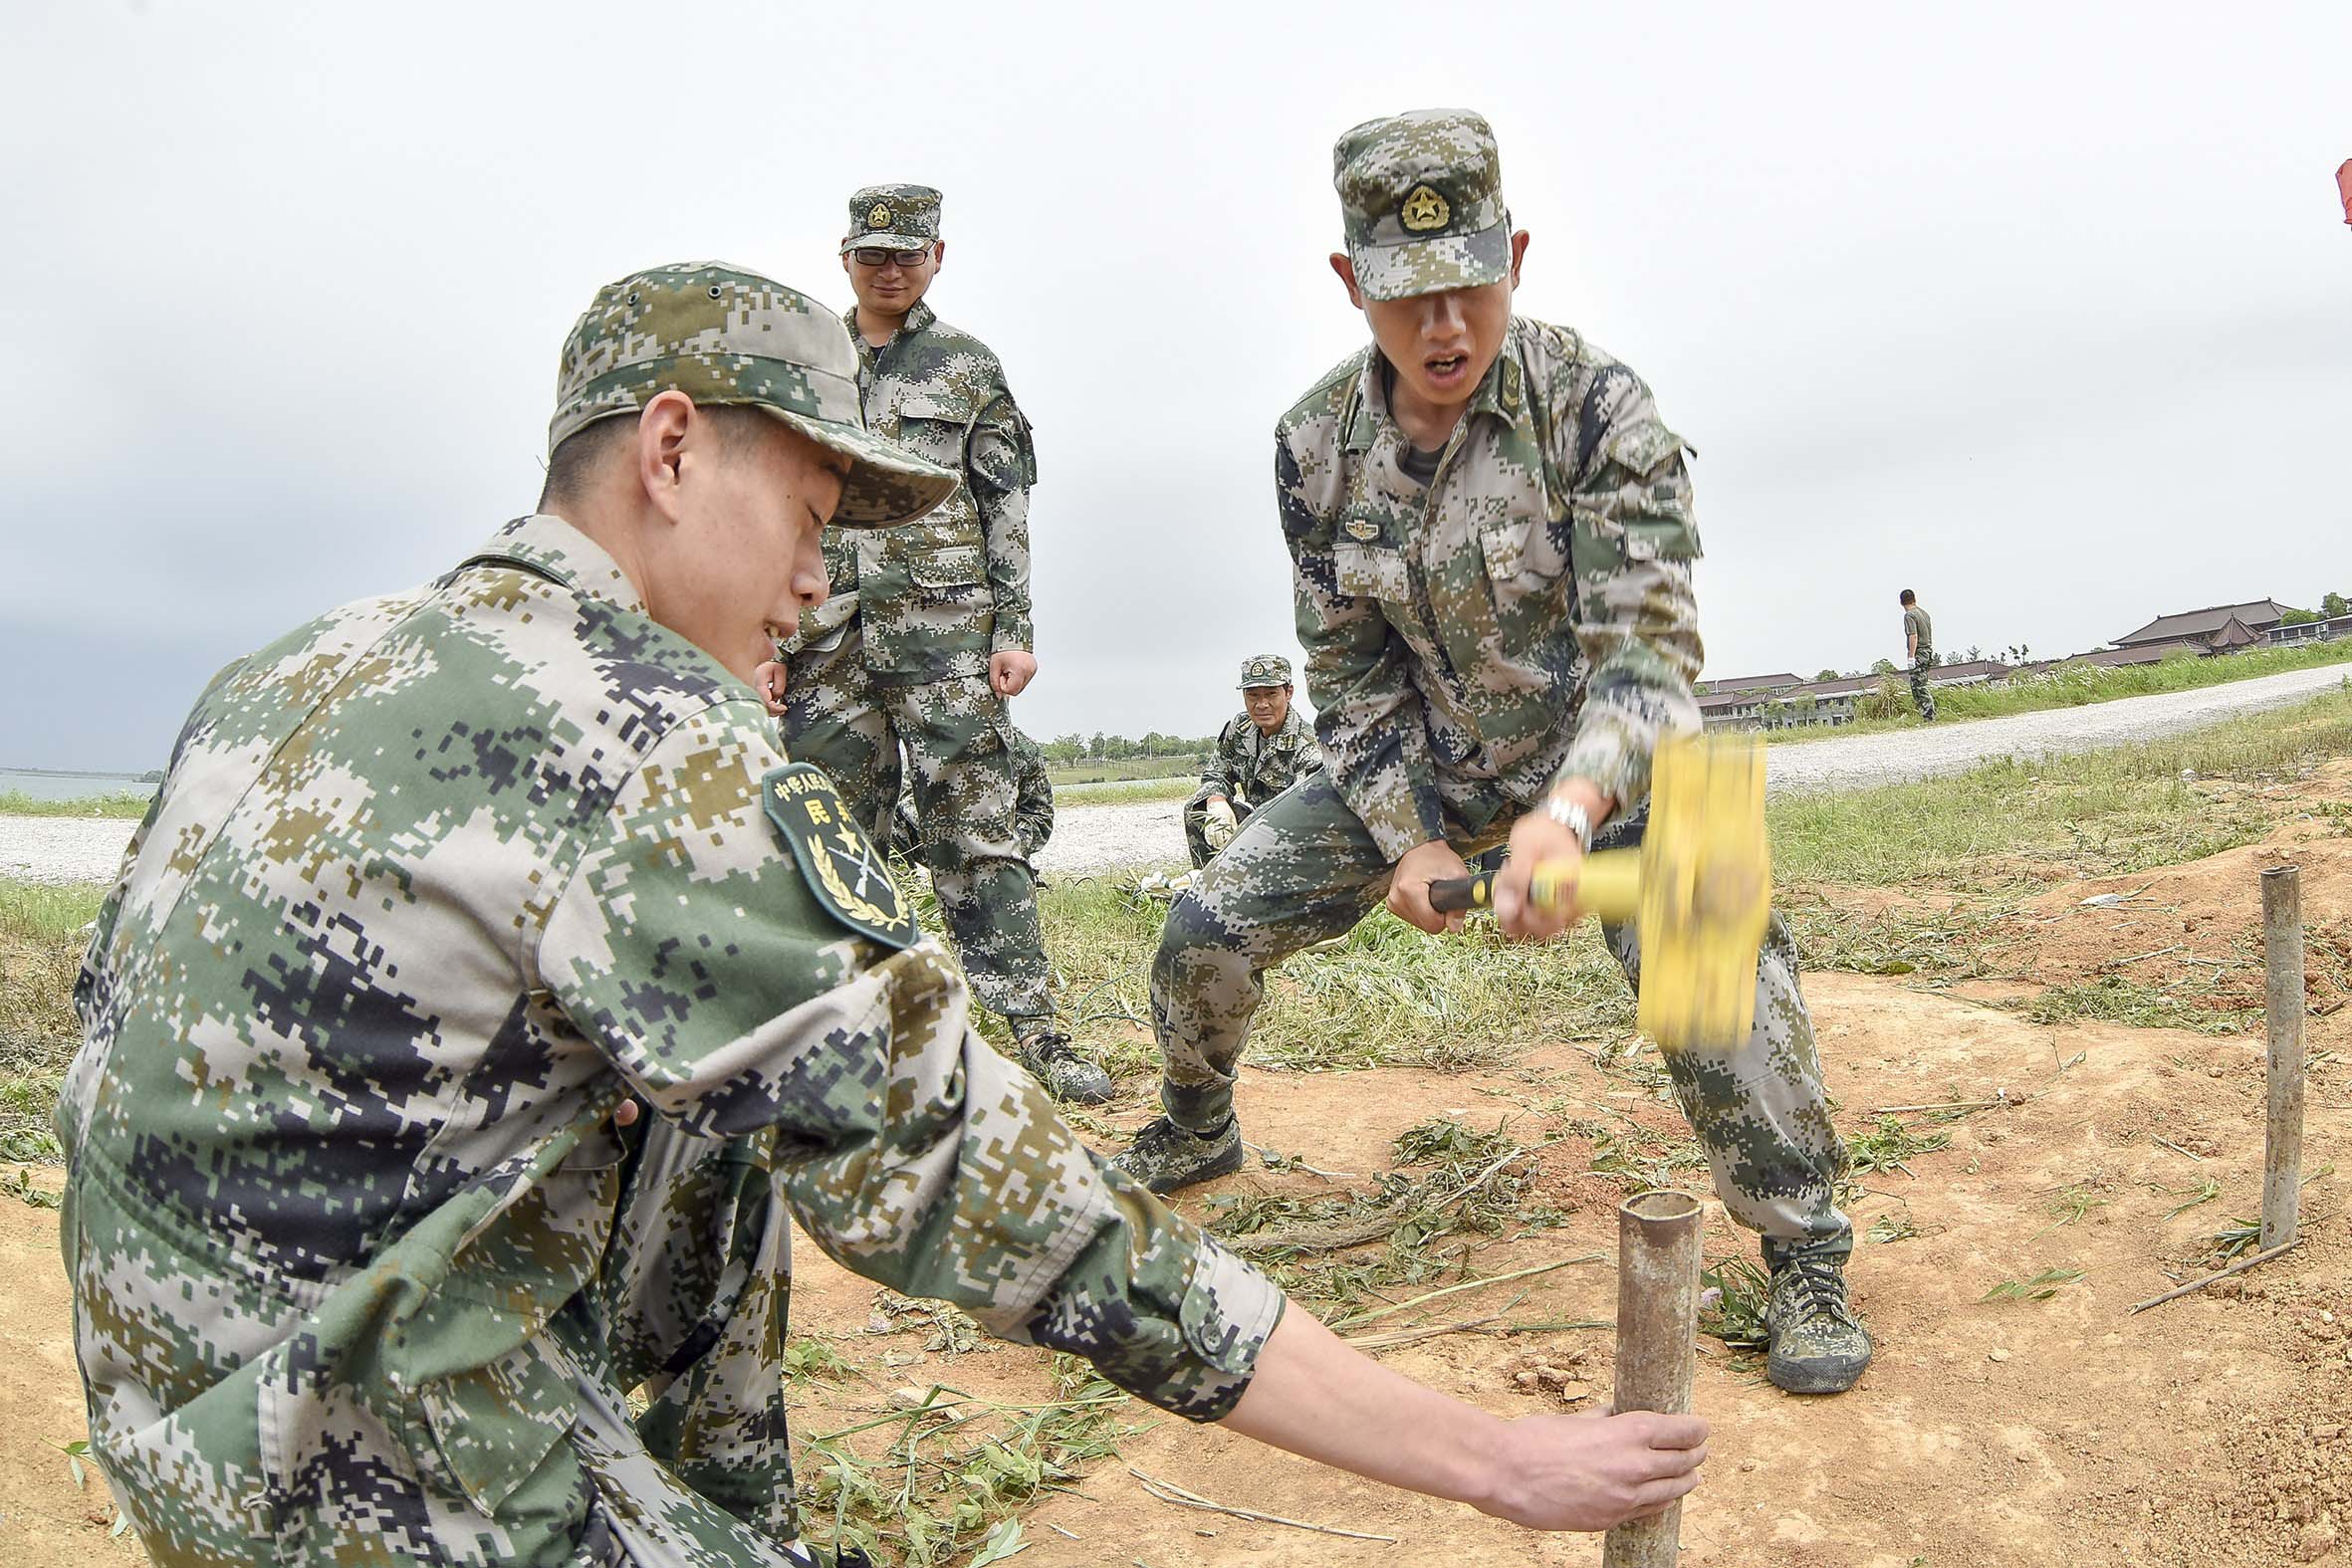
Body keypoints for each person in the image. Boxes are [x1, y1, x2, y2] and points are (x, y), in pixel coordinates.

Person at [58, 260, 1708, 1568]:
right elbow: (997, 1193)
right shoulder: (639, 735)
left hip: (172, 1412)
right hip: (361, 1483)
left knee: (724, 1100)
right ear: (673, 448)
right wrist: (1490, 1459)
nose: (815, 585)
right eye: (809, 520)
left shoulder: (304, 662)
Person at [1111, 111, 1872, 1397]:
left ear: (1514, 256)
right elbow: (1347, 673)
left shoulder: (1596, 405)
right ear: (1350, 282)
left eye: (1470, 286)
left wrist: (1569, 811)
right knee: (1201, 927)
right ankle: (1195, 1123)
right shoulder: (1312, 449)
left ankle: (1804, 1246)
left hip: (1620, 766)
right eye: (1408, 298)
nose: (1445, 326)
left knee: (1721, 987)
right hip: (1433, 761)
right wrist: (1407, 832)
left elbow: (1649, 652)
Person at [759, 184, 1109, 1104]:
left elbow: (1007, 506)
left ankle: (1038, 1033)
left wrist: (1017, 630)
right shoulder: (810, 367)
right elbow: (773, 505)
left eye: (907, 254)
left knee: (978, 840)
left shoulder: (968, 368)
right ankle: (839, 1045)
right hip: (826, 644)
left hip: (948, 643)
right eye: (873, 254)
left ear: (937, 257)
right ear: (845, 257)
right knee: (829, 843)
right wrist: (765, 632)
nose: (889, 269)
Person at [1183, 653, 1322, 868]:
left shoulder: (1307, 745)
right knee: (1197, 810)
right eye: (1253, 695)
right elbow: (1215, 774)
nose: (1262, 704)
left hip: (1291, 836)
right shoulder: (1239, 728)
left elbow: (1307, 815)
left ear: (1289, 693)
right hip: (1254, 822)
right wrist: (1216, 801)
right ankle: (1207, 882)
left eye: (1271, 694)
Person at [891, 723, 1055, 872]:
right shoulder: (933, 740)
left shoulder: (1022, 749)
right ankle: (896, 891)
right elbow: (908, 798)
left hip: (997, 849)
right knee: (884, 821)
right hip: (940, 841)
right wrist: (950, 837)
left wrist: (1009, 844)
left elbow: (1039, 815)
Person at [1900, 588, 1936, 721]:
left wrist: (1911, 656)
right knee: (1921, 682)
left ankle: (1929, 714)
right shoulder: (1924, 614)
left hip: (1919, 652)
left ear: (1901, 602)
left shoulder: (1909, 615)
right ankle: (1927, 712)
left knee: (1918, 686)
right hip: (1928, 650)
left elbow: (1913, 635)